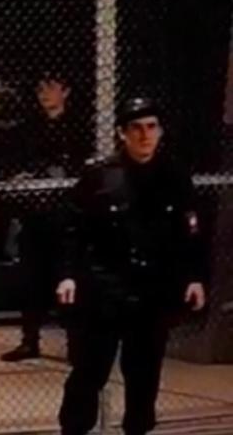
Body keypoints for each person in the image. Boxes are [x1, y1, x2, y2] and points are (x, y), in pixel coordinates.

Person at [56, 97, 207, 435]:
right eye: (136, 128)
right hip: (105, 288)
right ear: (122, 133)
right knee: (89, 370)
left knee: (144, 374)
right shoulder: (100, 176)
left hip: (152, 290)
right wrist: (68, 275)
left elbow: (190, 233)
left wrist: (194, 278)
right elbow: (73, 230)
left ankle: (138, 429)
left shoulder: (174, 177)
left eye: (151, 127)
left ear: (161, 132)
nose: (144, 135)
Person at [2, 75, 84, 362]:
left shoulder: (77, 127)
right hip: (36, 212)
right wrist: (23, 176)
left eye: (51, 88)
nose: (44, 94)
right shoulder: (29, 128)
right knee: (30, 278)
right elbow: (17, 163)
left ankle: (75, 343)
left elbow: (78, 164)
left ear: (66, 92)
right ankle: (30, 340)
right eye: (40, 89)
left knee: (69, 277)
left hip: (67, 214)